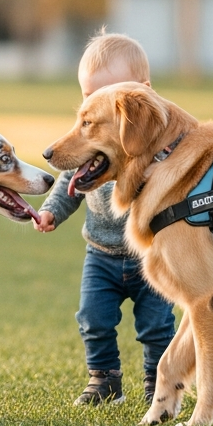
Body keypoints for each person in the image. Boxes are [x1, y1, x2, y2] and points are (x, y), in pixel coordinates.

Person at [35, 32, 176, 406]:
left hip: (150, 257)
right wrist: (51, 211)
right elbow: (69, 183)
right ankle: (104, 380)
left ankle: (158, 382)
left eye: (106, 94)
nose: (96, 104)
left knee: (157, 327)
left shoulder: (158, 150)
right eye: (88, 95)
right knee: (92, 320)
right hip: (100, 255)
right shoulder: (90, 149)